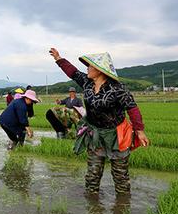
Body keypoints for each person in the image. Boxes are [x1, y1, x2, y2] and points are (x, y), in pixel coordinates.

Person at [49, 48, 150, 194]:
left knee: (120, 176)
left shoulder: (117, 89)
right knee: (92, 176)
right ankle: (93, 207)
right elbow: (73, 72)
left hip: (116, 135)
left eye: (90, 66)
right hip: (95, 134)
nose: (87, 69)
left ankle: (122, 208)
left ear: (100, 70)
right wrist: (58, 59)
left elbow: (132, 108)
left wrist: (139, 131)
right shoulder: (87, 83)